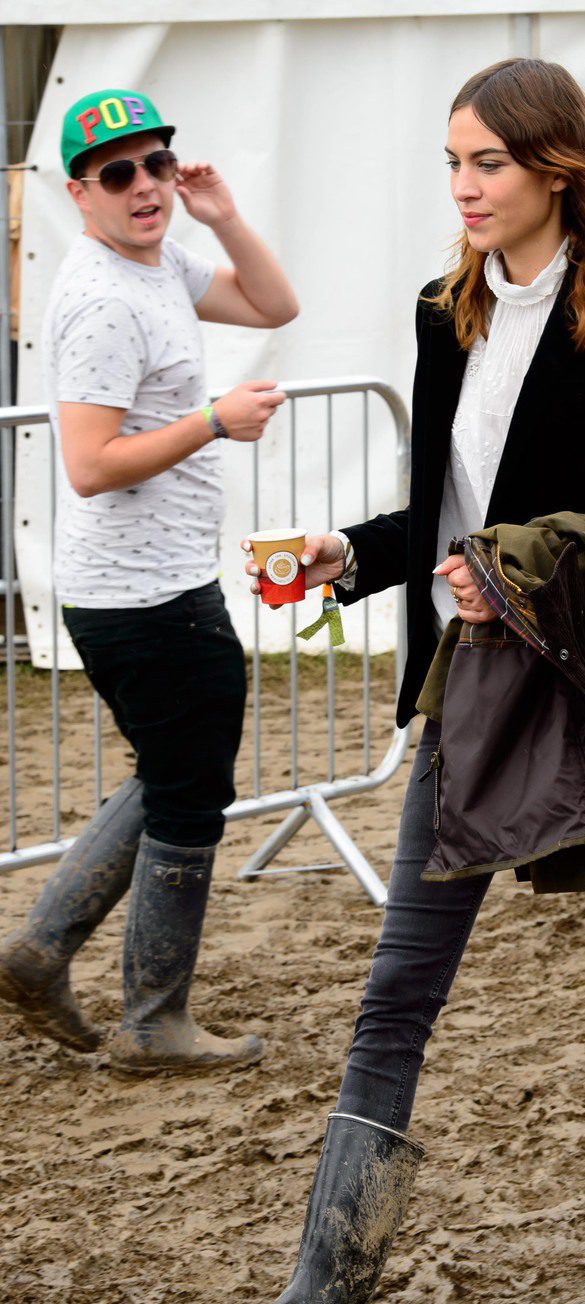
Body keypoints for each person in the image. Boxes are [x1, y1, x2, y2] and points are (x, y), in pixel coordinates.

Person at [173, 58, 585, 1304]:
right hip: (477, 690)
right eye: (450, 163)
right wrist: (345, 551)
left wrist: (524, 561)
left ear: (557, 166)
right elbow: (440, 520)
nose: (462, 188)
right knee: (398, 988)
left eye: (485, 164)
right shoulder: (446, 313)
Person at [0, 89, 298, 1074]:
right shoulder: (102, 300)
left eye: (157, 165)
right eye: (118, 173)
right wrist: (212, 418)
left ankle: (42, 948)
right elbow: (88, 461)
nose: (144, 187)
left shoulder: (161, 257)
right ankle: (152, 1019)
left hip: (156, 579)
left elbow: (273, 304)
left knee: (178, 769)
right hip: (139, 593)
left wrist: (222, 217)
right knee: (189, 783)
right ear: (79, 194)